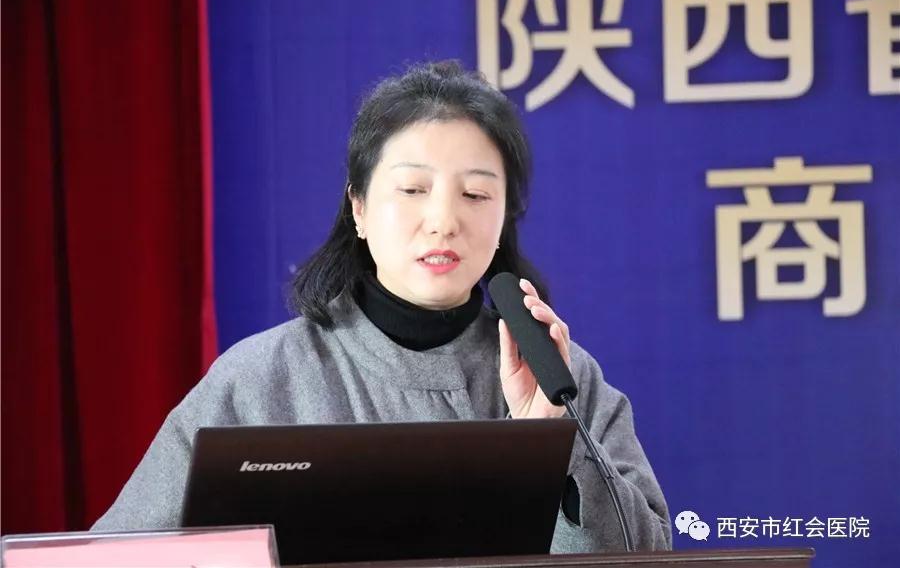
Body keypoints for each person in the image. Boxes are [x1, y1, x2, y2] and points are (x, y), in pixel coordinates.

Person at [93, 60, 672, 552]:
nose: (443, 220)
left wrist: (553, 446)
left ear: (503, 219)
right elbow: (120, 555)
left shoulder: (560, 378)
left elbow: (647, 553)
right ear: (360, 208)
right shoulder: (258, 380)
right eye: (413, 189)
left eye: (475, 194)